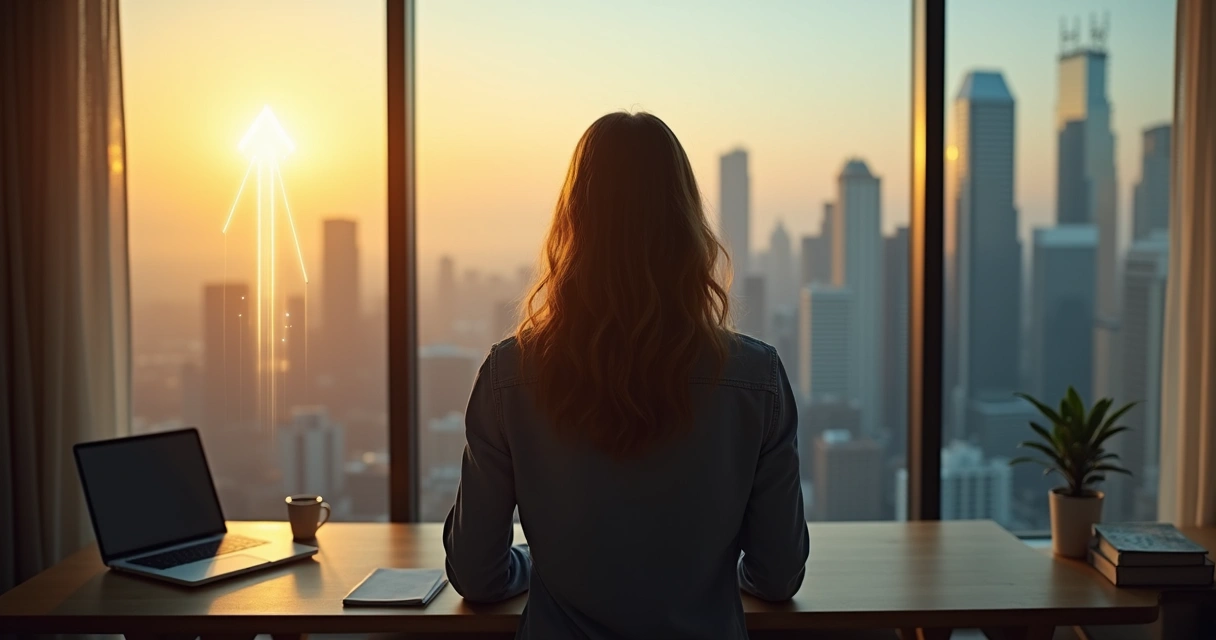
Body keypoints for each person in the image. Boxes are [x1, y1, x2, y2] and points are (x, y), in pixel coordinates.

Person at [443, 111, 808, 639]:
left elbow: (476, 575)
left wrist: (532, 562)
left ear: (574, 224)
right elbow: (778, 576)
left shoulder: (509, 376)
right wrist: (710, 572)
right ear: (686, 227)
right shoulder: (756, 378)